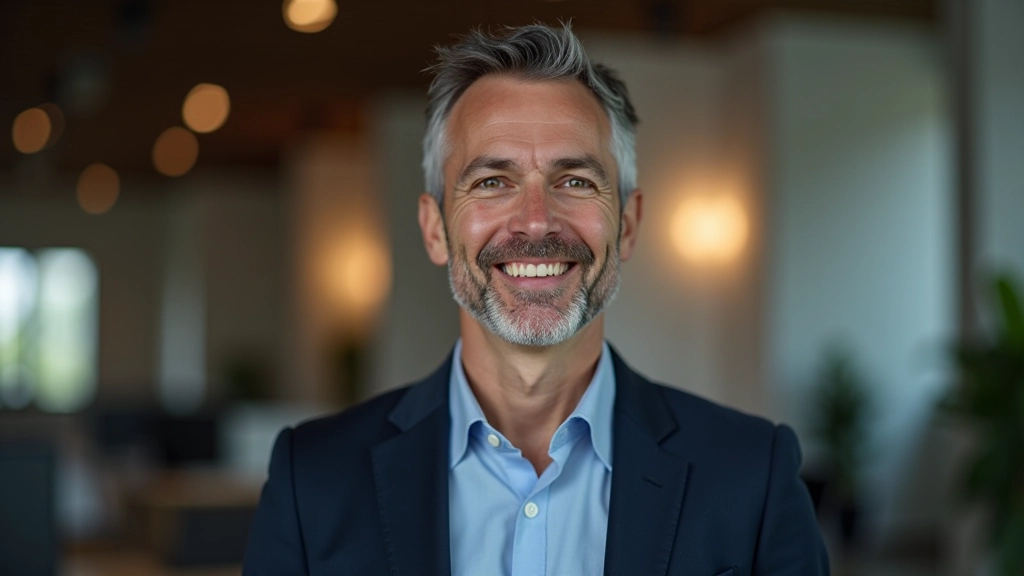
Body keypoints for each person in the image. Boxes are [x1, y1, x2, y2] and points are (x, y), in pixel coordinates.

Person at [243, 24, 829, 576]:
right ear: (433, 228)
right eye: (492, 181)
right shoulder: (312, 479)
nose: (535, 221)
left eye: (574, 180)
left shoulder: (752, 475)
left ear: (626, 224)